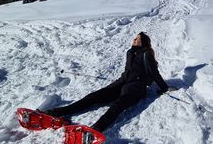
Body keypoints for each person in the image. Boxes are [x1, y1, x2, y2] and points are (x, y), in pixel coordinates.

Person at [42, 32, 170, 133]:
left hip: (136, 87)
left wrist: (163, 87)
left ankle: (96, 128)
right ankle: (58, 112)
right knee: (94, 96)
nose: (134, 40)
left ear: (143, 42)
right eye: (134, 38)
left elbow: (154, 72)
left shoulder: (146, 54)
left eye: (137, 39)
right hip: (121, 83)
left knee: (118, 105)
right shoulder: (129, 52)